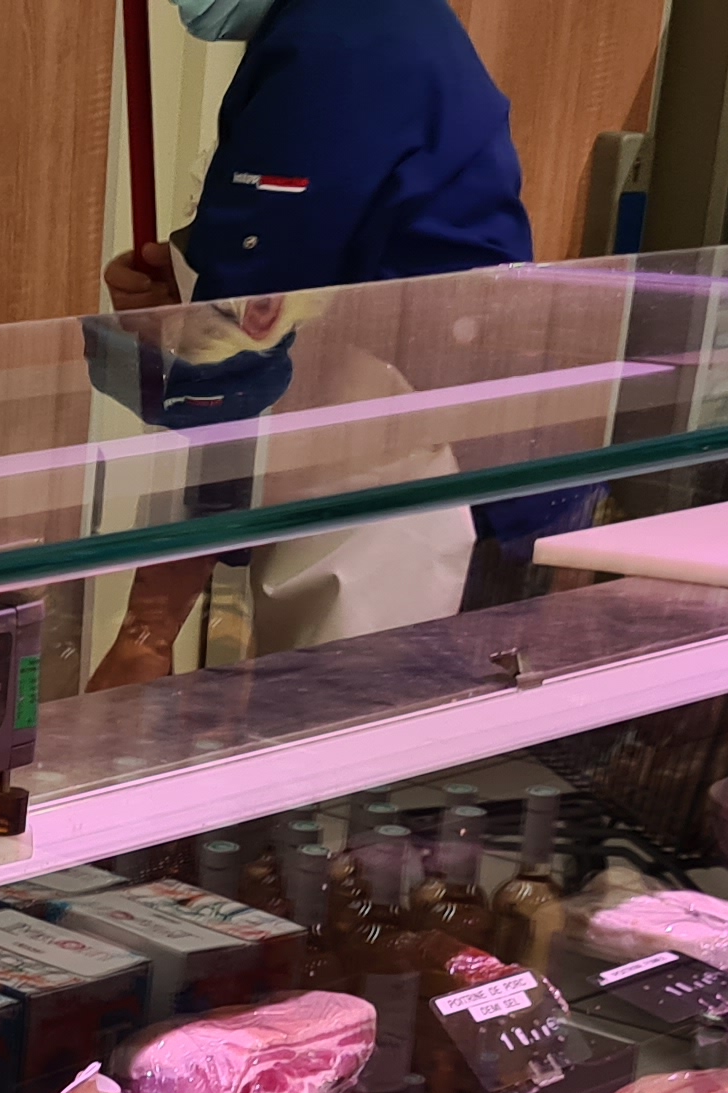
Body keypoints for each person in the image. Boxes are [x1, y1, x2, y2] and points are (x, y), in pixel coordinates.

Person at [92, 0, 539, 686]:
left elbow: (237, 357)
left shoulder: (337, 45)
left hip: (409, 480)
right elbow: (311, 255)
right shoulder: (361, 23)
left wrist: (147, 632)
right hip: (402, 449)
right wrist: (186, 290)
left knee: (359, 727)